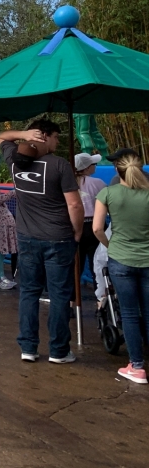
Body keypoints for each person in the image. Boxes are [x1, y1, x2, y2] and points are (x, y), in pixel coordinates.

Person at [0, 121, 82, 364]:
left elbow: (3, 138)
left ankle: (28, 347)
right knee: (58, 295)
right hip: (59, 238)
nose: (57, 141)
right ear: (44, 137)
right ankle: (58, 350)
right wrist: (77, 232)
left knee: (29, 292)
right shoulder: (59, 165)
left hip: (27, 238)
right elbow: (74, 204)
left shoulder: (14, 162)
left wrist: (24, 134)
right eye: (55, 136)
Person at [93, 153, 149, 384]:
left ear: (117, 171)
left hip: (120, 260)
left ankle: (137, 366)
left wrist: (111, 245)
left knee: (129, 314)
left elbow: (97, 228)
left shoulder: (108, 193)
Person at [75, 153, 106, 290]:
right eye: (93, 164)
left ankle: (71, 303)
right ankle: (102, 301)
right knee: (98, 265)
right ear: (87, 168)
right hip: (95, 225)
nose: (95, 166)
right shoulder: (98, 183)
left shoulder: (67, 183)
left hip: (74, 227)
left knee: (75, 266)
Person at [0, 181, 18, 290]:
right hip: (0, 231)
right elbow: (9, 195)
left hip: (3, 230)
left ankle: (0, 277)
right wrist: (21, 186)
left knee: (1, 254)